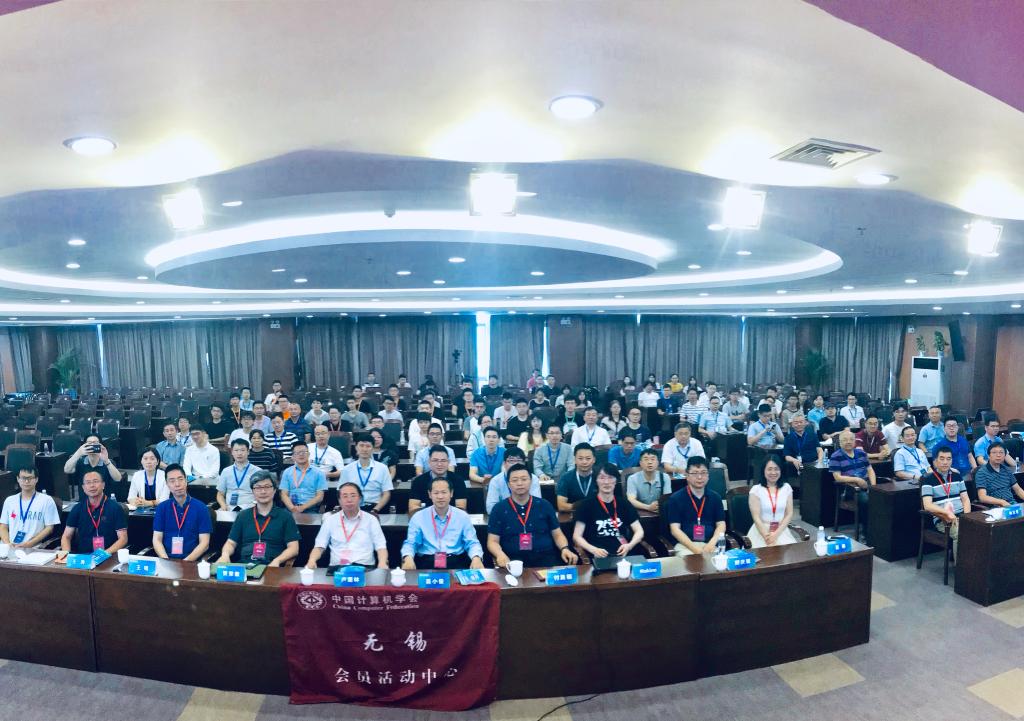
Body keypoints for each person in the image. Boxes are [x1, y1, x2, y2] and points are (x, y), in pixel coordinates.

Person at [487, 464, 577, 569]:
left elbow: (557, 534)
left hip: (545, 559)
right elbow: (492, 541)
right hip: (512, 561)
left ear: (531, 482)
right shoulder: (499, 509)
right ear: (509, 485)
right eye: (515, 480)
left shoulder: (545, 505)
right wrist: (499, 554)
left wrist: (564, 548)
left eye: (524, 479)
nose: (519, 483)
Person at [218, 470, 300, 567]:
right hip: (245, 565)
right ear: (252, 491)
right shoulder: (243, 515)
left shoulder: (285, 516)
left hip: (272, 565)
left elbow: (293, 548)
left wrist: (277, 561)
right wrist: (225, 555)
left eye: (267, 487)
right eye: (258, 487)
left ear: (274, 490)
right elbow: (231, 543)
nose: (263, 491)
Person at [401, 477, 485, 570]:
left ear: (451, 493)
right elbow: (411, 543)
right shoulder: (418, 517)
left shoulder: (462, 516)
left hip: (456, 561)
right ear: (430, 494)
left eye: (444, 492)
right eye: (436, 493)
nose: (440, 497)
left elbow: (472, 542)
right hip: (427, 561)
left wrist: (476, 557)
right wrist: (408, 557)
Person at [306, 482, 389, 570]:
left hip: (365, 568)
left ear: (360, 498)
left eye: (353, 496)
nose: (349, 500)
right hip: (337, 569)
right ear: (339, 500)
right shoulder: (330, 520)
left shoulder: (371, 520)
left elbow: (381, 546)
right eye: (345, 496)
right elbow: (319, 546)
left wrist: (382, 562)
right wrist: (311, 560)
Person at [572, 464, 644, 559]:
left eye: (610, 478)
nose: (606, 482)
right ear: (596, 481)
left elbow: (639, 531)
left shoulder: (624, 503)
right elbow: (577, 536)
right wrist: (593, 550)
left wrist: (629, 545)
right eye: (602, 478)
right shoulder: (586, 505)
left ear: (616, 480)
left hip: (624, 553)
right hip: (598, 555)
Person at [56, 470, 127, 561]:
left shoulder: (115, 508)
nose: (92, 485)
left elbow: (123, 539)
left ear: (103, 485)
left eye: (95, 481)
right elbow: (66, 536)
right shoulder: (77, 508)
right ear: (83, 488)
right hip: (83, 559)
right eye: (88, 483)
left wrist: (103, 555)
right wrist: (66, 556)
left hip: (108, 557)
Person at [666, 456, 726, 556]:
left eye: (703, 473)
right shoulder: (675, 499)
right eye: (695, 473)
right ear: (687, 475)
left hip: (710, 544)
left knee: (720, 561)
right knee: (693, 562)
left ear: (708, 475)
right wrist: (696, 550)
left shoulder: (715, 497)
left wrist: (711, 545)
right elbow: (675, 530)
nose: (699, 477)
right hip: (685, 546)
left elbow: (721, 525)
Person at [152, 463, 212, 561]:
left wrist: (185, 563)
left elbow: (204, 544)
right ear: (167, 484)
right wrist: (166, 561)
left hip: (191, 561)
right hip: (167, 559)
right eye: (172, 481)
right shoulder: (162, 508)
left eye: (180, 479)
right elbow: (157, 539)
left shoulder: (201, 508)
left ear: (186, 481)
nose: (177, 484)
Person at [920, 447, 970, 560]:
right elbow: (927, 505)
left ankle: (974, 564)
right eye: (942, 459)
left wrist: (966, 517)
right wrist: (947, 513)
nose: (945, 462)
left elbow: (965, 499)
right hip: (943, 519)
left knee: (980, 529)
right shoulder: (928, 479)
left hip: (961, 516)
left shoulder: (957, 476)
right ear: (935, 461)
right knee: (960, 533)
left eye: (948, 459)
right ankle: (961, 567)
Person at [829, 430, 877, 538]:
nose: (848, 442)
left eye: (851, 439)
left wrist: (873, 487)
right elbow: (837, 477)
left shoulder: (861, 453)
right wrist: (856, 480)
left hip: (866, 484)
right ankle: (867, 533)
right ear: (840, 442)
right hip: (849, 489)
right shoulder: (836, 456)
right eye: (845, 440)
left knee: (882, 497)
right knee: (866, 500)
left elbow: (870, 470)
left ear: (855, 441)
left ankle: (879, 530)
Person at [0, 466, 59, 548]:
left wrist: (29, 544)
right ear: (18, 479)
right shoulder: (9, 500)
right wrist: (7, 544)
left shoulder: (46, 500)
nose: (26, 481)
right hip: (9, 546)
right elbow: (3, 526)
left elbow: (49, 528)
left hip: (33, 547)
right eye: (23, 478)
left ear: (36, 479)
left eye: (30, 478)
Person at [747, 455, 798, 547]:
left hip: (781, 530)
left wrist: (776, 534)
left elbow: (789, 514)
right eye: (769, 469)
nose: (773, 472)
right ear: (763, 471)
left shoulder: (786, 488)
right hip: (761, 531)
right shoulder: (756, 490)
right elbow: (756, 518)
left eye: (776, 469)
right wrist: (768, 538)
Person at [340, 433, 393, 513]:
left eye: (368, 446)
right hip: (353, 507)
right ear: (356, 447)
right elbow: (341, 492)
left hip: (376, 507)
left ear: (373, 448)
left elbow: (387, 494)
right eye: (361, 446)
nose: (364, 449)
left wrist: (375, 510)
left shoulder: (382, 468)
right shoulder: (347, 469)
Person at [410, 445, 469, 514]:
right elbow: (413, 508)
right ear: (429, 462)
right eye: (435, 460)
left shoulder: (458, 481)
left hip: (452, 518)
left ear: (448, 462)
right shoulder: (418, 481)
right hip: (425, 518)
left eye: (443, 460)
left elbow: (461, 508)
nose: (439, 464)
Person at [484, 447, 541, 513]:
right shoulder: (496, 481)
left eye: (519, 460)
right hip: (505, 517)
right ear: (504, 464)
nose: (515, 464)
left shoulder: (533, 478)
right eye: (511, 461)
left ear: (524, 463)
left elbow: (537, 504)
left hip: (529, 516)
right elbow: (490, 508)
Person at [279, 442, 328, 513]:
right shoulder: (287, 472)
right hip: (290, 508)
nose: (301, 454)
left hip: (311, 509)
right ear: (293, 457)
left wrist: (302, 507)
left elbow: (320, 496)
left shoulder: (319, 473)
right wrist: (292, 508)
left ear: (309, 454)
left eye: (304, 452)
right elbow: (284, 494)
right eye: (297, 453)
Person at [974, 442, 1024, 507]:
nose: (998, 455)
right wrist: (1001, 502)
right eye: (994, 452)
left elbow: (1018, 490)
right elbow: (982, 497)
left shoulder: (1006, 470)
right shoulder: (981, 473)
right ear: (988, 456)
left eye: (1001, 452)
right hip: (995, 507)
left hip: (1012, 504)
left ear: (1005, 456)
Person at [217, 438, 259, 510]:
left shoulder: (257, 471)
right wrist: (223, 506)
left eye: (242, 450)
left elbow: (261, 494)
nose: (239, 453)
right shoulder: (226, 471)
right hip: (229, 508)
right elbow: (220, 494)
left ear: (248, 452)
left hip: (249, 508)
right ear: (232, 452)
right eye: (236, 450)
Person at [661, 422, 706, 488]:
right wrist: (682, 471)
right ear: (675, 434)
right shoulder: (669, 445)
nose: (683, 436)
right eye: (680, 434)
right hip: (676, 479)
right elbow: (667, 467)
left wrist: (691, 472)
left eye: (686, 433)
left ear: (690, 434)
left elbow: (702, 462)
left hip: (694, 476)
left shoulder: (696, 443)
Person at [556, 442, 597, 511]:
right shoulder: (565, 478)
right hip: (573, 515)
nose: (584, 462)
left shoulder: (600, 476)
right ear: (574, 460)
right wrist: (581, 506)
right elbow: (561, 506)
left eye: (588, 458)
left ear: (594, 460)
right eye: (580, 458)